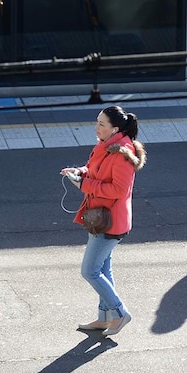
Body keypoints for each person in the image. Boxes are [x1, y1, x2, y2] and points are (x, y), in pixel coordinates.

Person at [60, 105, 146, 337]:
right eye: (97, 121)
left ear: (115, 128)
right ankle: (104, 317)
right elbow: (95, 169)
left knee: (90, 271)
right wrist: (80, 171)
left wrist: (84, 185)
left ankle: (120, 312)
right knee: (103, 268)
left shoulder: (122, 154)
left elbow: (118, 189)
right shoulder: (106, 146)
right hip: (100, 216)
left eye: (101, 124)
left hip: (110, 221)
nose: (96, 127)